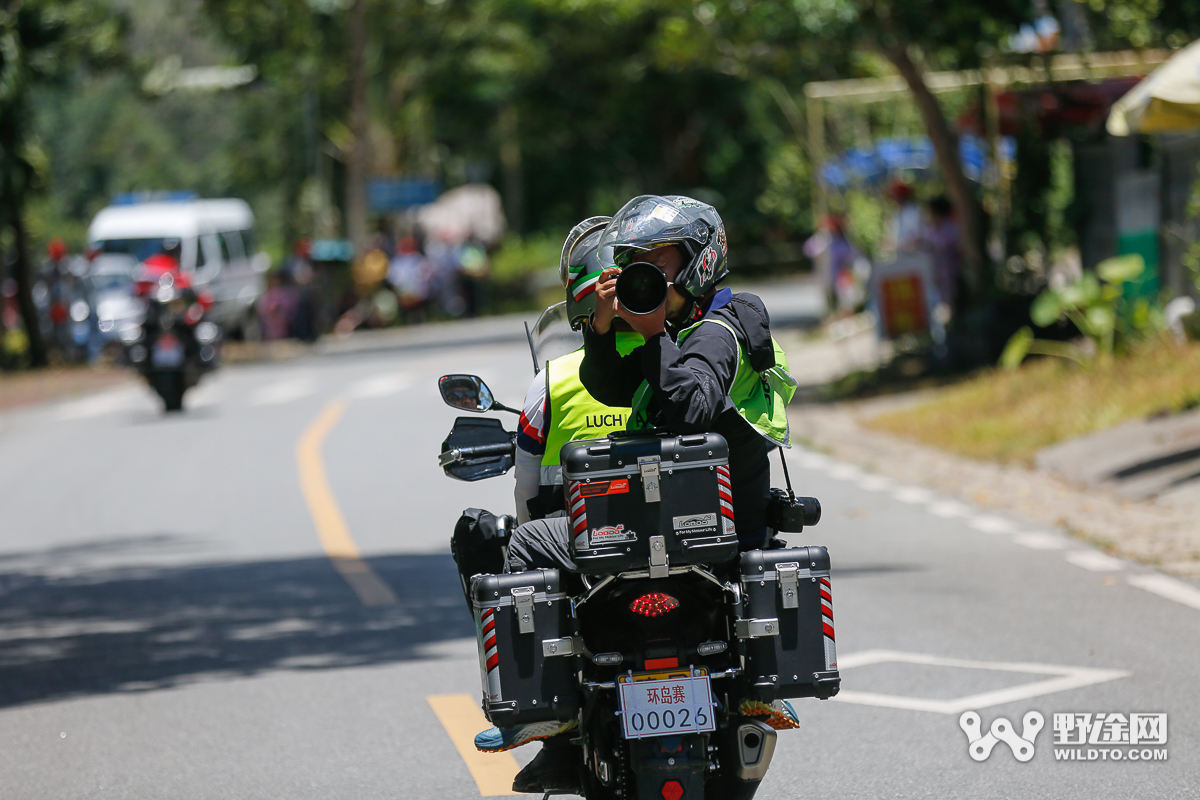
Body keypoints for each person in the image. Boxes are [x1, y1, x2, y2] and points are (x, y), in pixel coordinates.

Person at [469, 217, 642, 794]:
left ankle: (547, 722)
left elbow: (524, 489)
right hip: (687, 539)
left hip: (588, 544)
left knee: (512, 542)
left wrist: (532, 531)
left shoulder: (554, 379)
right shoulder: (675, 357)